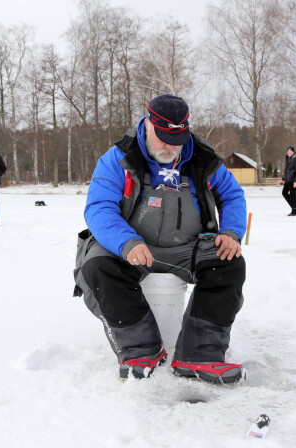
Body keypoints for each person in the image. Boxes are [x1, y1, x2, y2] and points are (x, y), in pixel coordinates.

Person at [73, 94, 248, 384]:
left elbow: (231, 195)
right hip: (132, 247)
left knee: (230, 263)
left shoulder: (204, 159)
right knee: (97, 267)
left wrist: (231, 233)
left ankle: (199, 355)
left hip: (190, 248)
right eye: (163, 137)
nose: (171, 146)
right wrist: (127, 242)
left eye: (177, 139)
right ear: (148, 124)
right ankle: (141, 351)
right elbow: (99, 208)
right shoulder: (118, 158)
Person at [280, 146, 296, 216]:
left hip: (293, 181)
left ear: (293, 152)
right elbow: (286, 171)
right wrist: (283, 179)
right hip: (287, 180)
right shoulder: (287, 159)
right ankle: (295, 206)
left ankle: (294, 212)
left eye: (291, 152)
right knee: (284, 193)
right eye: (288, 151)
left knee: (293, 195)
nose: (289, 153)